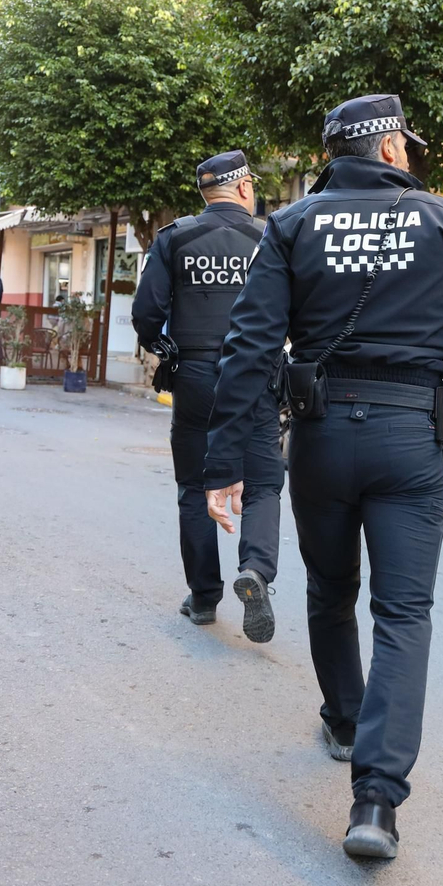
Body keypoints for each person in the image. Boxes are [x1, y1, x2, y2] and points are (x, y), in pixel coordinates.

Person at [202, 94, 443, 860]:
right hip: (410, 434)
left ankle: (343, 719)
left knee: (330, 590)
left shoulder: (292, 223)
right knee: (403, 614)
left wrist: (223, 464)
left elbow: (248, 347)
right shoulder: (442, 220)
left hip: (320, 433)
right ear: (392, 151)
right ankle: (375, 802)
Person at [131, 151, 284, 643]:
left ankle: (202, 598)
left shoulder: (175, 237)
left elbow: (146, 314)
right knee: (262, 481)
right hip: (256, 375)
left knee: (195, 487)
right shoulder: (269, 238)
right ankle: (256, 570)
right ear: (243, 189)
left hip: (195, 377)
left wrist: (166, 349)